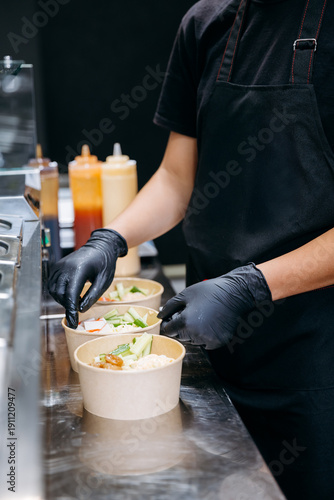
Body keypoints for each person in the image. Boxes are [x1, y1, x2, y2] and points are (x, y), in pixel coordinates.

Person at [49, 0, 334, 498]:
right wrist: (110, 240)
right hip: (208, 347)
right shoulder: (206, 22)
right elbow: (177, 179)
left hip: (314, 365)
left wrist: (251, 285)